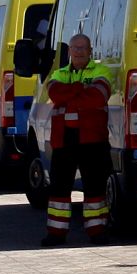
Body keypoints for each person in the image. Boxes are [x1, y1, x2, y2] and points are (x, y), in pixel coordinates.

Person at [41, 34, 114, 247]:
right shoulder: (59, 73)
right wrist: (81, 90)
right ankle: (56, 234)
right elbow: (54, 92)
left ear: (91, 50)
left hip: (93, 138)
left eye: (83, 48)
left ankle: (97, 231)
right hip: (64, 139)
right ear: (69, 51)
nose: (79, 52)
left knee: (95, 187)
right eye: (75, 48)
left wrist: (70, 94)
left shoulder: (101, 70)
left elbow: (98, 96)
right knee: (58, 189)